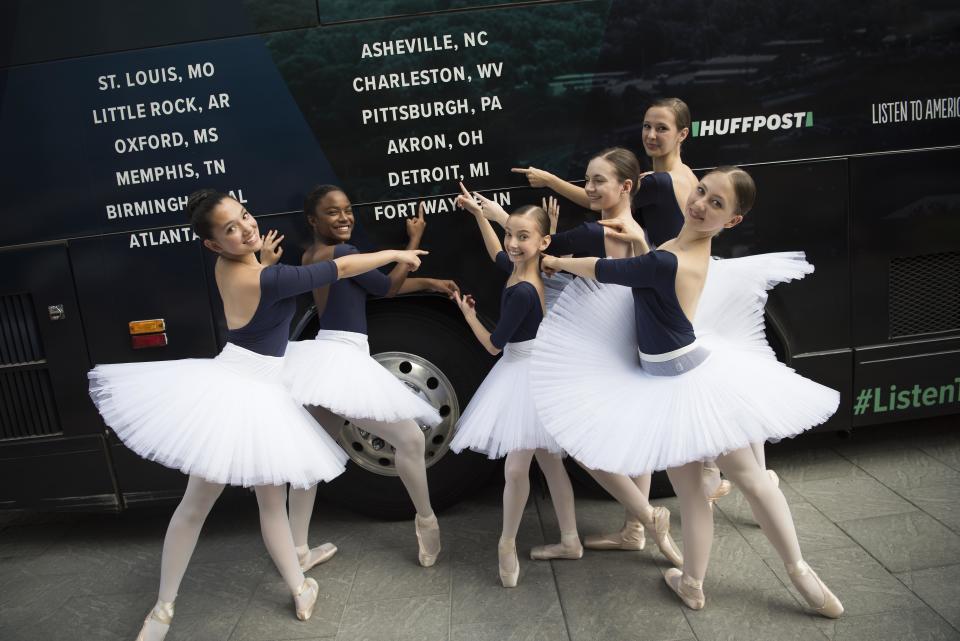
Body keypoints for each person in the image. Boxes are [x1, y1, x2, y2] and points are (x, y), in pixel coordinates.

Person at [88, 190, 426, 641]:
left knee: (229, 505)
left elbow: (262, 283)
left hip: (236, 381)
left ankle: (172, 609)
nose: (246, 227)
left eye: (244, 216)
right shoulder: (269, 278)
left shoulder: (233, 267)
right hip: (250, 392)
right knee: (234, 504)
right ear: (213, 244)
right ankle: (189, 602)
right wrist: (397, 252)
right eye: (230, 228)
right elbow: (340, 269)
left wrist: (262, 260)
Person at [532, 167, 843, 617]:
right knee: (704, 492)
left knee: (742, 482)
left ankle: (800, 571)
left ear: (732, 221)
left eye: (716, 204)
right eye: (701, 192)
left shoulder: (667, 259)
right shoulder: (677, 250)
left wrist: (558, 263)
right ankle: (694, 583)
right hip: (669, 383)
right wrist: (640, 237)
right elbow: (648, 271)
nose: (700, 204)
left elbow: (607, 270)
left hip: (689, 385)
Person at [280, 185, 458, 568]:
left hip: (320, 358)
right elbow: (386, 286)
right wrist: (413, 240)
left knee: (310, 459)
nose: (344, 217)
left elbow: (369, 290)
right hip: (343, 358)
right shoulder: (345, 252)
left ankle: (297, 550)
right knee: (411, 439)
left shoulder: (312, 254)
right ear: (313, 220)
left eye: (347, 209)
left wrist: (429, 283)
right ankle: (426, 521)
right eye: (332, 212)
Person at [449, 182, 581, 587]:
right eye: (510, 233)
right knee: (550, 462)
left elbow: (491, 346)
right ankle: (570, 538)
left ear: (543, 242)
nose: (511, 243)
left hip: (524, 372)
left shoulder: (524, 289)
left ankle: (506, 544)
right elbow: (495, 254)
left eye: (522, 237)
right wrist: (479, 216)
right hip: (531, 368)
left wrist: (466, 313)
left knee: (517, 467)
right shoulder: (526, 270)